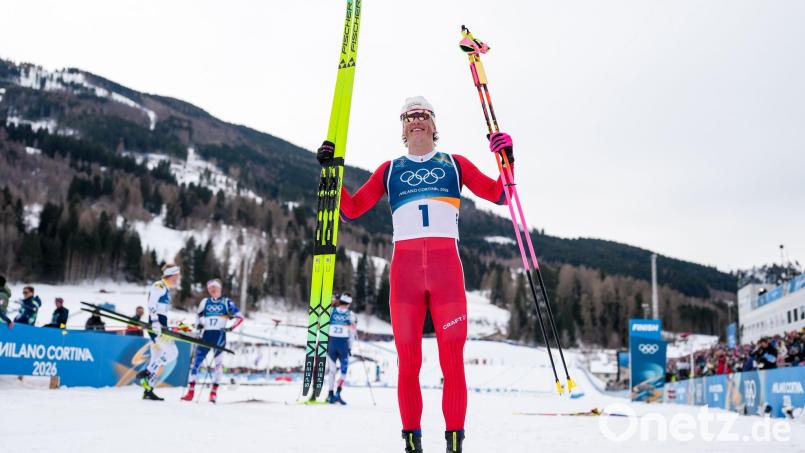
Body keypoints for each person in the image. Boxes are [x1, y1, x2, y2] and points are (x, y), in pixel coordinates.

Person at [316, 96, 512, 453]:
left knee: (452, 362)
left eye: (423, 115)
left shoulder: (456, 164)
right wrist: (331, 172)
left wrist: (507, 158)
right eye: (408, 117)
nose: (416, 121)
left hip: (446, 275)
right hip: (404, 276)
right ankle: (412, 442)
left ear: (434, 126)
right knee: (409, 363)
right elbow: (352, 209)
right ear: (402, 129)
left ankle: (454, 443)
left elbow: (500, 193)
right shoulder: (390, 169)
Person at [180, 278, 243, 403]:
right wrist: (199, 326)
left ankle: (213, 393)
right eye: (209, 289)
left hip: (219, 336)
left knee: (218, 366)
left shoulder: (226, 302)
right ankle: (190, 392)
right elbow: (198, 316)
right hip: (206, 336)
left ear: (219, 288)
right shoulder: (205, 302)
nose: (211, 290)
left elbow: (240, 317)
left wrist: (230, 328)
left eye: (214, 288)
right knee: (195, 364)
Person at [136, 264, 182, 401]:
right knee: (173, 353)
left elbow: (161, 310)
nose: (177, 279)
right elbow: (151, 304)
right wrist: (155, 322)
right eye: (176, 276)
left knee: (158, 356)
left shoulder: (166, 289)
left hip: (160, 325)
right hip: (157, 327)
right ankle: (147, 372)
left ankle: (148, 390)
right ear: (172, 275)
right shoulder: (159, 286)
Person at [326, 292, 357, 405]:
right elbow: (353, 332)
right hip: (343, 345)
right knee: (343, 371)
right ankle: (338, 393)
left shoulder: (331, 311)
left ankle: (330, 394)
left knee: (332, 371)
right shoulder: (350, 314)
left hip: (332, 344)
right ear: (349, 304)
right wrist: (349, 347)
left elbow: (323, 325)